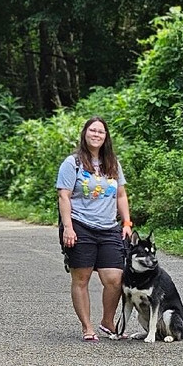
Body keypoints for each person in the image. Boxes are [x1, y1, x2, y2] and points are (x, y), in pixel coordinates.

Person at [56, 116, 133, 342]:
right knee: (82, 278)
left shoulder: (112, 163)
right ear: (85, 134)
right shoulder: (73, 163)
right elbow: (64, 195)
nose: (96, 135)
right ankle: (87, 326)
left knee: (115, 278)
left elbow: (121, 194)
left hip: (109, 227)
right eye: (92, 131)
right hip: (81, 226)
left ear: (106, 136)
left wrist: (127, 222)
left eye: (101, 131)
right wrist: (68, 228)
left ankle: (107, 322)